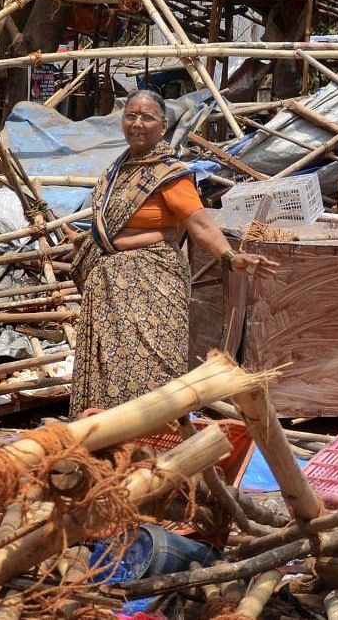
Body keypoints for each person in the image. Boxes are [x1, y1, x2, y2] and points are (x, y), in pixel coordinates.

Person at [67, 90, 279, 418]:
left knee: (148, 367)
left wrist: (229, 256)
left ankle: (152, 439)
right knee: (107, 367)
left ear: (163, 126)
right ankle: (105, 442)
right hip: (108, 285)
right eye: (131, 115)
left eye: (147, 117)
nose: (137, 123)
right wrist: (87, 239)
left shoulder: (170, 174)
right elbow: (115, 225)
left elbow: (199, 223)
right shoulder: (117, 169)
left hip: (151, 286)